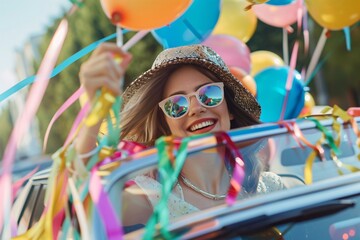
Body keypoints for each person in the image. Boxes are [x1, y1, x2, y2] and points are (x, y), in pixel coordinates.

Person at [76, 43, 285, 226]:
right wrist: (92, 115)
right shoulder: (154, 197)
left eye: (209, 94)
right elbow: (87, 210)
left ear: (230, 109)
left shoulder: (270, 187)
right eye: (177, 105)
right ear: (166, 125)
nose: (196, 109)